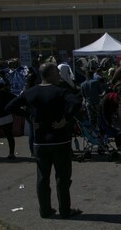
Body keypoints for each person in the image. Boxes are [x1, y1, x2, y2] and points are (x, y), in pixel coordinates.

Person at [5, 63, 83, 218]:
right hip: (59, 140)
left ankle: (45, 210)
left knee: (42, 177)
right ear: (51, 74)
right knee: (62, 177)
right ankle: (65, 210)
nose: (59, 76)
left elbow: (10, 106)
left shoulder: (31, 92)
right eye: (57, 73)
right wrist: (65, 119)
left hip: (40, 141)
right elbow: (76, 103)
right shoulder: (60, 91)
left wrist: (29, 117)